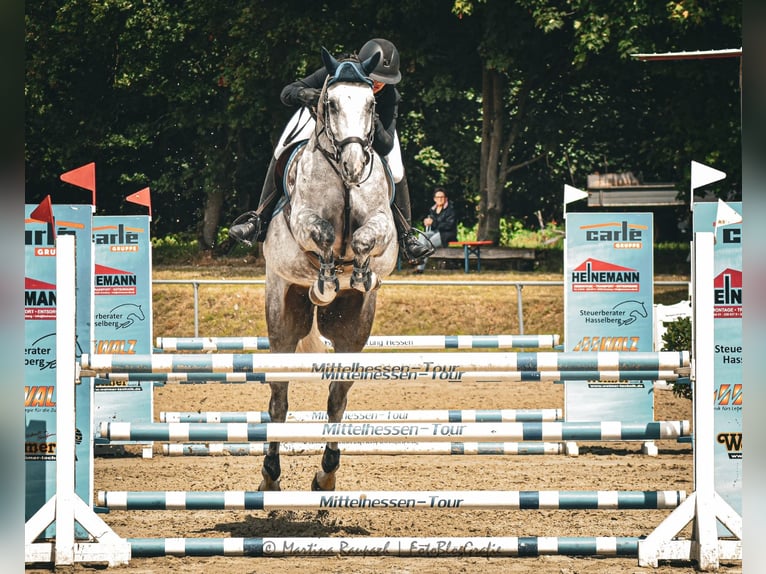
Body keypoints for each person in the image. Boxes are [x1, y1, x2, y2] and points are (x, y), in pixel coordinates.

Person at [228, 38, 434, 264]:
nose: (378, 85)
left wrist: (371, 119)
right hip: (323, 121)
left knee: (395, 169)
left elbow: (385, 144)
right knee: (282, 149)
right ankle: (258, 219)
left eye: (383, 81)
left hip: (365, 130)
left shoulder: (389, 95)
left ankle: (406, 237)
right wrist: (304, 95)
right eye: (374, 78)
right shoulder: (334, 70)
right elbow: (287, 92)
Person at [415, 186, 457, 273]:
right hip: (435, 232)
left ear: (446, 198)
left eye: (442, 197)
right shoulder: (433, 209)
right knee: (421, 236)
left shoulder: (450, 210)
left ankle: (420, 268)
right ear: (434, 199)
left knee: (428, 243)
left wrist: (433, 222)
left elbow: (449, 226)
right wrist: (427, 222)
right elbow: (433, 226)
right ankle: (419, 263)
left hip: (446, 234)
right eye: (438, 197)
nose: (440, 199)